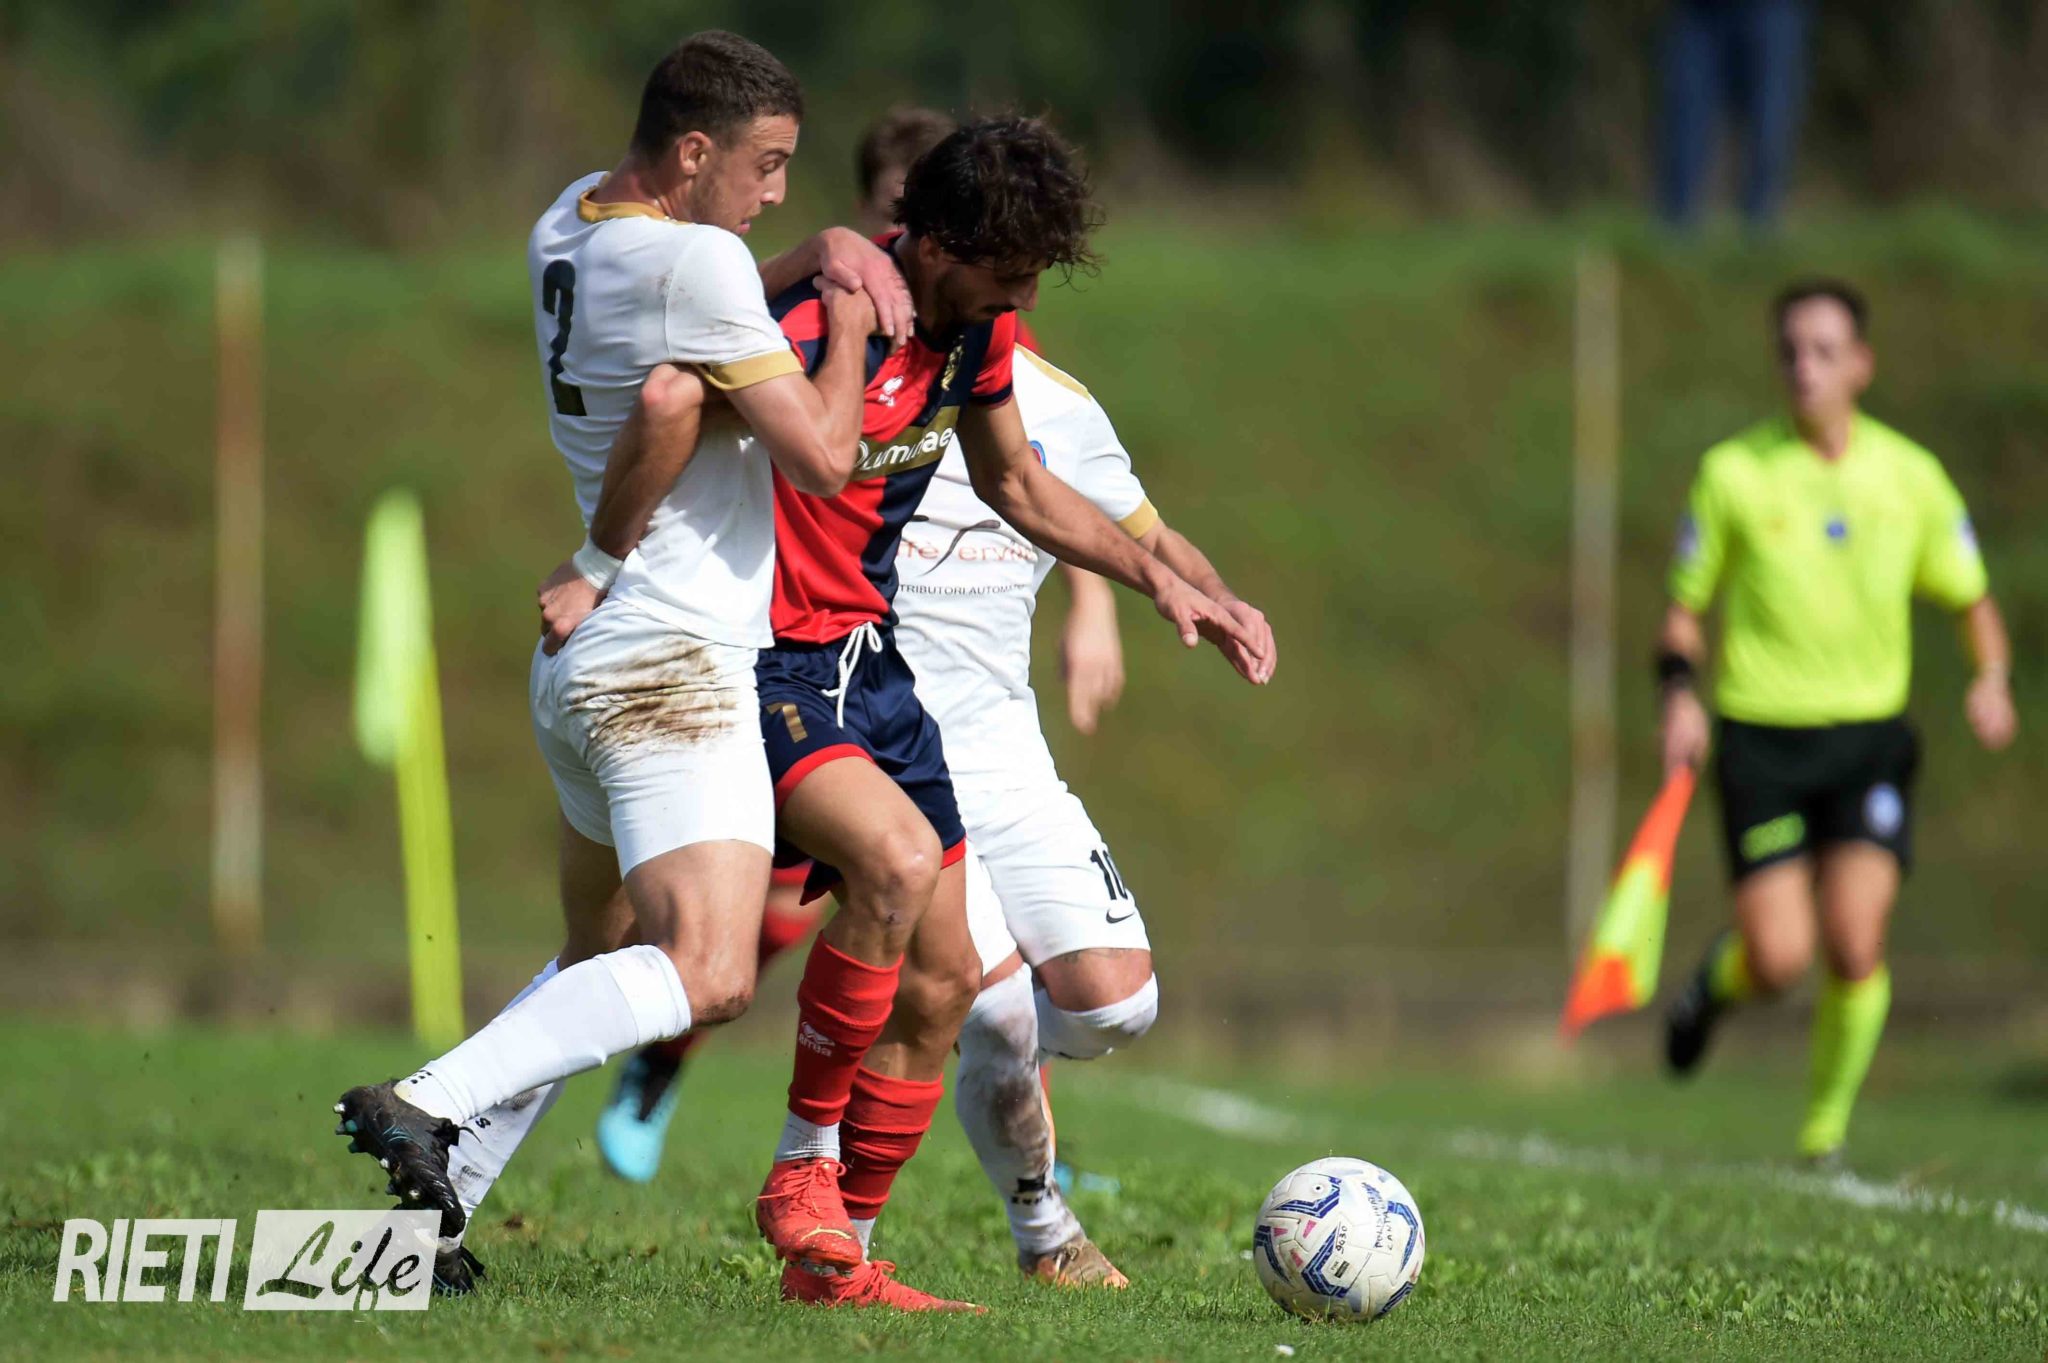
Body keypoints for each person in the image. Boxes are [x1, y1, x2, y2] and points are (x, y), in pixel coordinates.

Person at [327, 31, 910, 1296]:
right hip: (673, 666)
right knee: (707, 971)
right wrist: (848, 320)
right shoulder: (698, 264)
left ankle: (409, 1242)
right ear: (694, 153)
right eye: (765, 166)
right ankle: (429, 1097)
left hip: (585, 667)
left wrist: (813, 250)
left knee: (599, 966)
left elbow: (697, 308)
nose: (773, 193)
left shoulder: (567, 221)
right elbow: (819, 456)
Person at [593, 110, 1155, 1290]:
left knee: (956, 984)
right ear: (924, 238)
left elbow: (1023, 483)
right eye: (1007, 272)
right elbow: (681, 395)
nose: (1022, 298)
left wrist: (1147, 586)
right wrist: (600, 564)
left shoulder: (978, 340)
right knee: (837, 890)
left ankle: (836, 1253)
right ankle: (782, 1152)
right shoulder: (813, 325)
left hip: (884, 682)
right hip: (767, 664)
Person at [1659, 280, 2017, 1163]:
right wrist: (1679, 694)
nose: (1803, 368)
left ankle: (1823, 1132)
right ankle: (1717, 983)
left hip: (1868, 742)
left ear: (1862, 364)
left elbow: (1971, 599)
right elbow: (1683, 611)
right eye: (1789, 350)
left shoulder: (1911, 477)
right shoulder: (1734, 472)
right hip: (1762, 741)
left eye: (1824, 351)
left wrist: (1990, 678)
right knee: (1780, 959)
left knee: (1857, 943)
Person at [1656, 0, 1812, 230]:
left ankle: (1760, 224)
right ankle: (1676, 223)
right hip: (1700, 11)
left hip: (1773, 9)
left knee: (1770, 122)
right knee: (1685, 118)